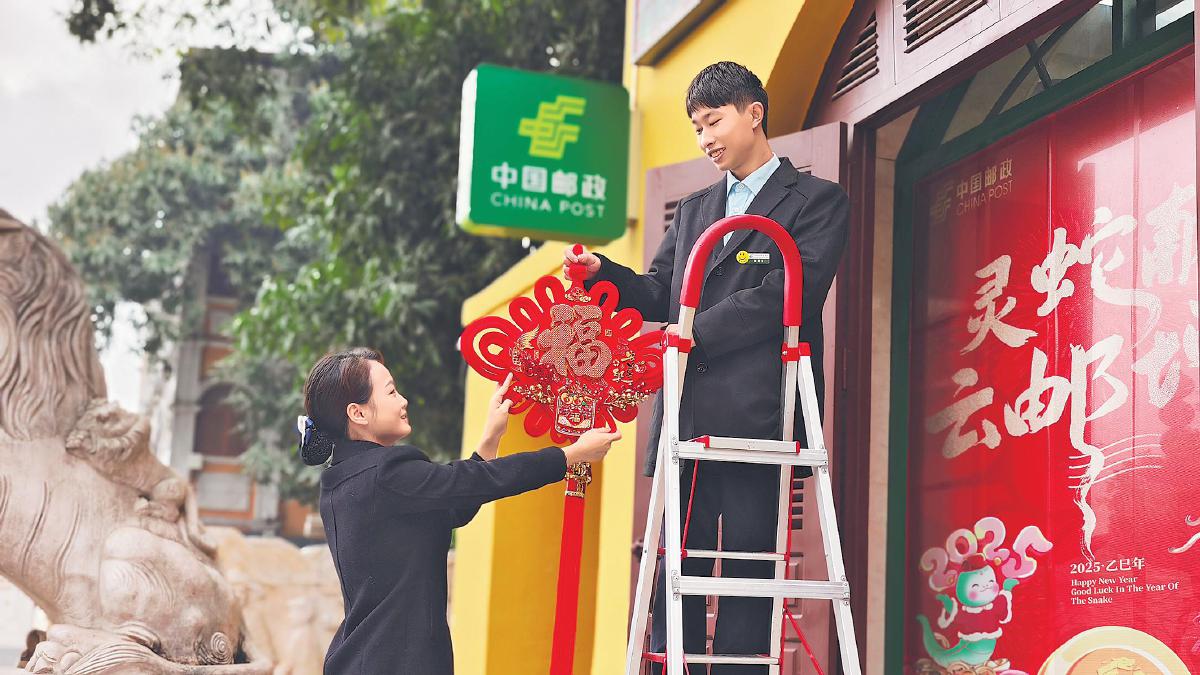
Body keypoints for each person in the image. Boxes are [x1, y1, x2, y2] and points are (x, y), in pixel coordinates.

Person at [564, 61, 849, 674]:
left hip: (760, 417)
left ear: (754, 113)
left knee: (748, 570)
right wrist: (604, 275)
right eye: (696, 128)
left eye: (714, 122)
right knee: (675, 570)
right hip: (686, 413)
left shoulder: (817, 201)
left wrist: (691, 332)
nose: (705, 139)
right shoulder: (695, 209)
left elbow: (787, 295)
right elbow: (661, 291)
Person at [300, 347, 620, 673]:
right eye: (392, 392)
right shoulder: (387, 473)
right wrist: (570, 455)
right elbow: (470, 482)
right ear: (358, 413)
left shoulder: (341, 481)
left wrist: (490, 439)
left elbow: (453, 508)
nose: (403, 401)